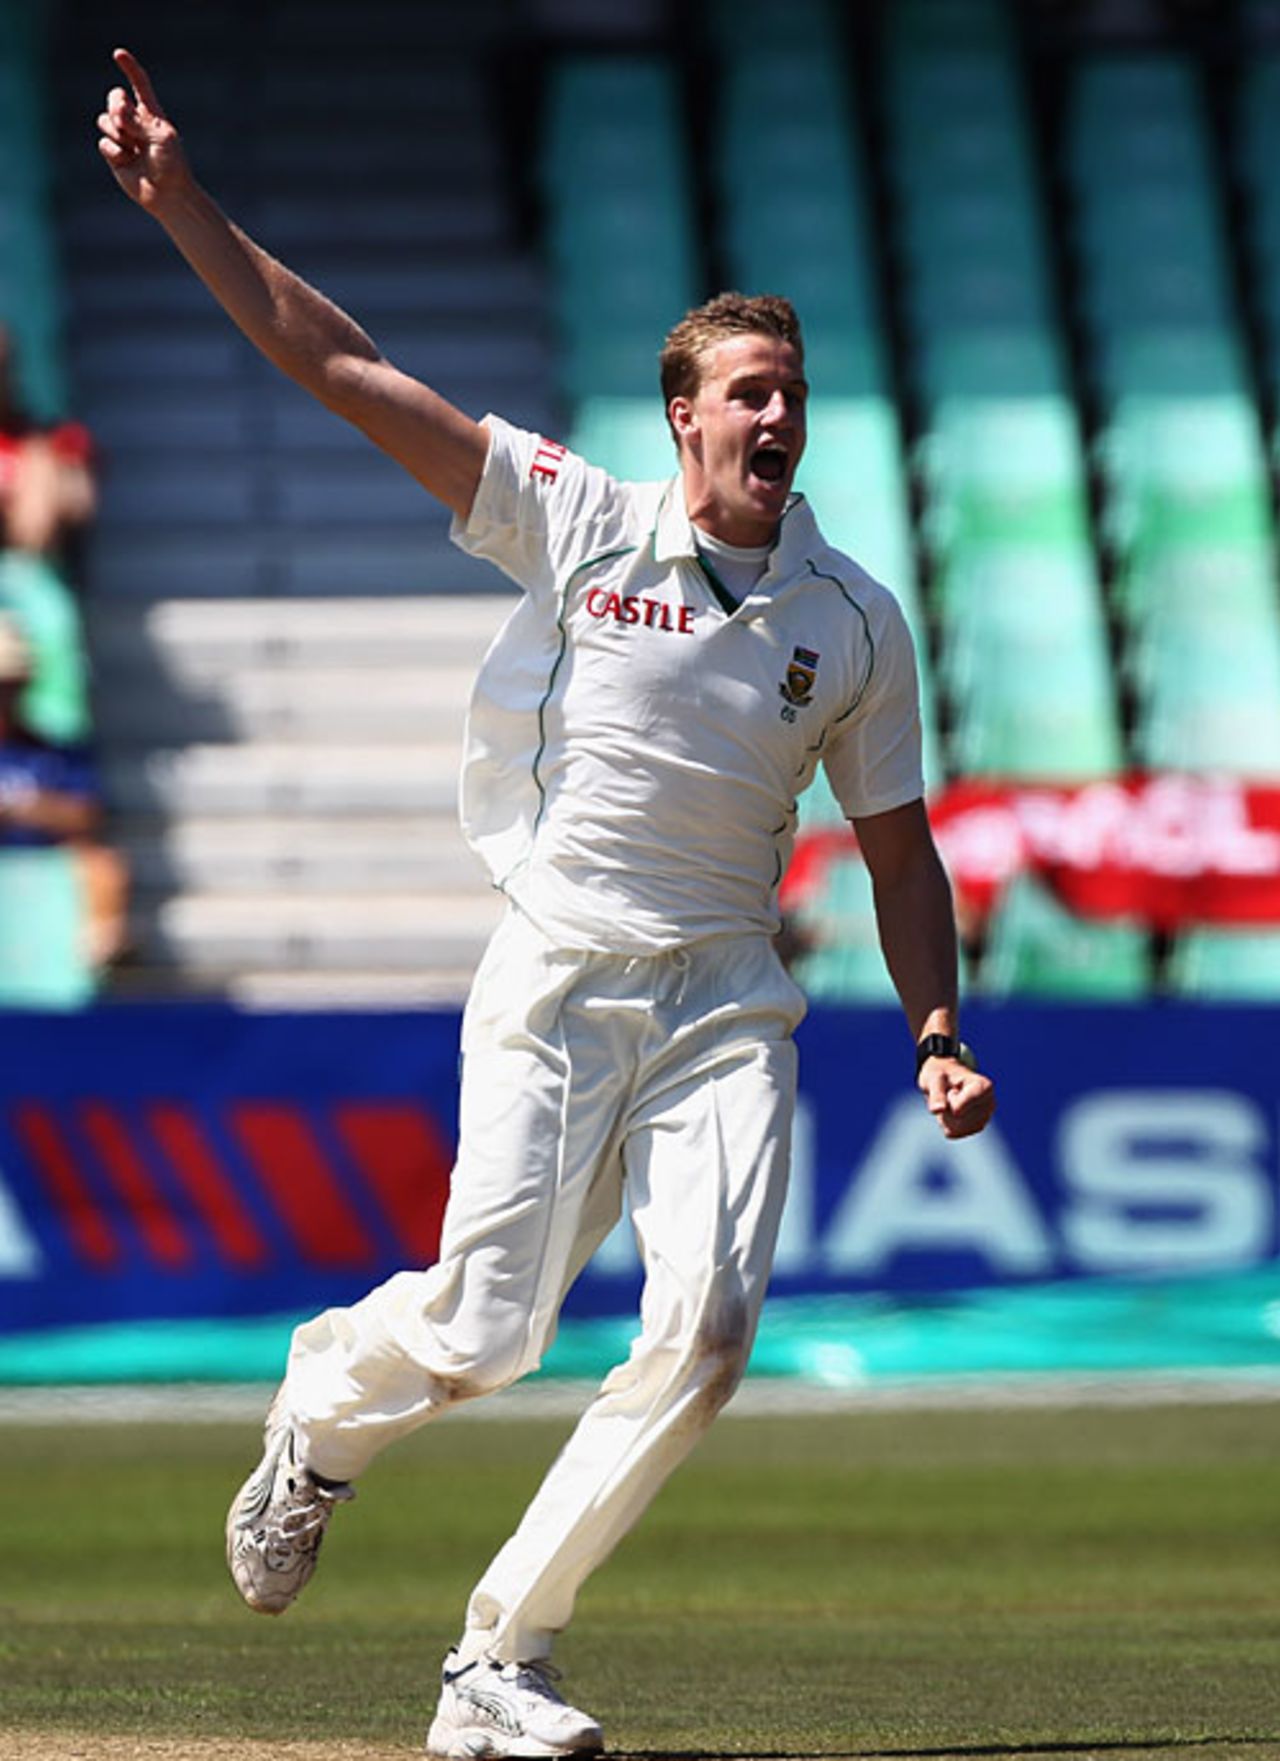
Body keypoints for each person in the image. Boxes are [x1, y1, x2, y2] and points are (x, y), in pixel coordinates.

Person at [98, 47, 995, 1759]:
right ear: (684, 417)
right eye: (746, 390)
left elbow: (898, 847)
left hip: (731, 993)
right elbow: (340, 362)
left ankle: (498, 1659)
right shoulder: (583, 523)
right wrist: (183, 203)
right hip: (562, 972)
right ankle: (320, 1413)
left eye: (791, 389)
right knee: (486, 1328)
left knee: (711, 1336)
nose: (775, 415)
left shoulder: (854, 618)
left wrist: (940, 1024)